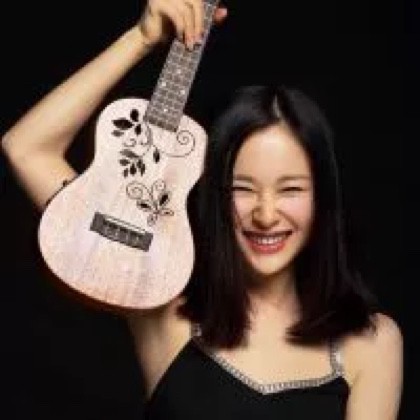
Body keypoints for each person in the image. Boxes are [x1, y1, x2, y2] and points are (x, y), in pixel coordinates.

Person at [1, 0, 403, 418]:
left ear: (323, 197)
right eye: (242, 188)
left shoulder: (372, 343)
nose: (266, 214)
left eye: (290, 190)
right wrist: (140, 39)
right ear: (214, 194)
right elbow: (27, 149)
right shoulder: (162, 299)